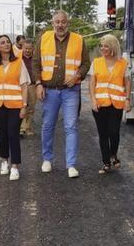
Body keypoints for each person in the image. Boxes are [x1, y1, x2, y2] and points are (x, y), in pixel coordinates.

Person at [32, 10, 90, 178]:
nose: (60, 25)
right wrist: (38, 84)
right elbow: (36, 64)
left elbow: (86, 63)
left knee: (71, 126)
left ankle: (71, 164)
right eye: (57, 22)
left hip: (71, 91)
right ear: (52, 23)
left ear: (68, 23)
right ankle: (47, 159)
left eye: (63, 22)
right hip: (49, 91)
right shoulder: (44, 39)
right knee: (47, 126)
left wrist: (78, 76)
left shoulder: (79, 40)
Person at [0, 34, 29, 181]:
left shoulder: (18, 63)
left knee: (13, 134)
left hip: (15, 105)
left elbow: (24, 86)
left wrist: (24, 106)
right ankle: (4, 161)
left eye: (8, 42)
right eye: (2, 43)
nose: (6, 44)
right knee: (2, 134)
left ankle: (15, 166)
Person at [89, 34, 131, 174]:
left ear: (113, 47)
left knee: (114, 132)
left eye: (106, 46)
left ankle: (114, 154)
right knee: (103, 134)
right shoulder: (96, 62)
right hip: (100, 104)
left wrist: (127, 100)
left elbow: (127, 82)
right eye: (102, 46)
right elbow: (92, 83)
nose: (103, 48)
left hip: (117, 104)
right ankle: (106, 162)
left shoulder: (123, 63)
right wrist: (93, 101)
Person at [19, 39, 37, 137]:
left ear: (33, 48)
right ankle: (21, 128)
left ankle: (28, 127)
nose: (27, 50)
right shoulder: (18, 58)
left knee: (31, 108)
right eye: (26, 48)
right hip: (21, 86)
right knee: (22, 106)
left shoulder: (36, 59)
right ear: (22, 48)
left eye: (29, 48)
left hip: (32, 86)